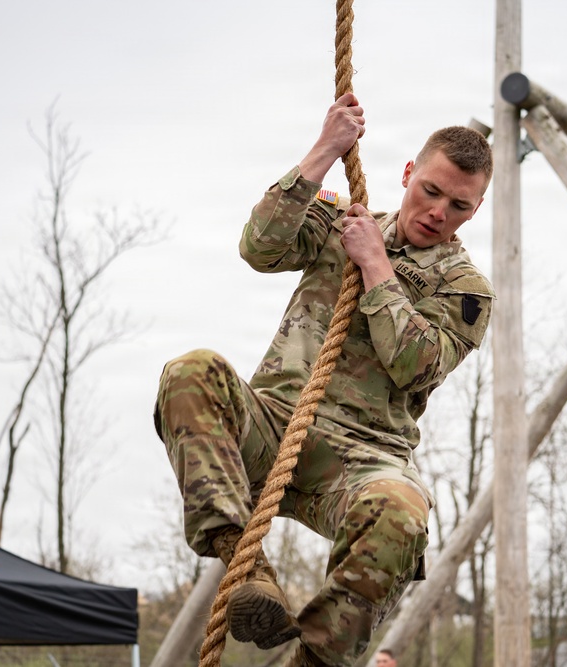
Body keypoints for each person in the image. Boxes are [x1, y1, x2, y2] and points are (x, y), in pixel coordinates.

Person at [154, 93, 494, 667]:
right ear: (410, 174)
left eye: (458, 205)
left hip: (362, 456)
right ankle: (248, 571)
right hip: (278, 423)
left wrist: (377, 266)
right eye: (431, 191)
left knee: (402, 511)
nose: (439, 211)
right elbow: (258, 246)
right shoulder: (344, 215)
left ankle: (314, 660)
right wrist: (324, 151)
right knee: (191, 372)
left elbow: (415, 365)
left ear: (474, 210)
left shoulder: (467, 289)